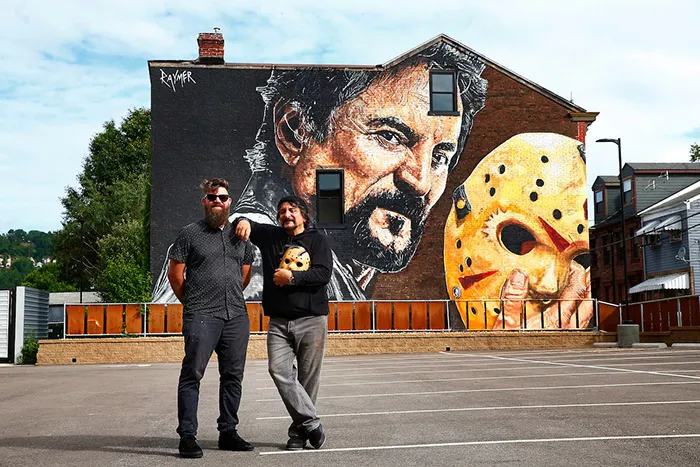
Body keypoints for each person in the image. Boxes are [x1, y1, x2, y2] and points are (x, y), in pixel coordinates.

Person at [152, 40, 487, 303]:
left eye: (439, 156)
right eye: (389, 137)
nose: (420, 181)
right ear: (295, 132)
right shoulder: (256, 259)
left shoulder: (318, 262)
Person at [234, 195, 332, 450]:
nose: (286, 214)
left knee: (308, 380)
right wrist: (243, 220)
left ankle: (298, 434)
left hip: (312, 319)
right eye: (282, 211)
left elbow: (323, 274)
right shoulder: (271, 236)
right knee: (278, 370)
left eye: (292, 210)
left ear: (303, 215)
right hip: (278, 321)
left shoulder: (317, 240)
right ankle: (311, 423)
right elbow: (244, 223)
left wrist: (292, 278)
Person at [168, 178, 256, 458]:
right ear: (204, 201)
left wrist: (229, 295)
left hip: (236, 316)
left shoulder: (241, 237)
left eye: (223, 197)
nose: (217, 201)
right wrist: (193, 303)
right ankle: (187, 436)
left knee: (233, 376)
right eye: (212, 197)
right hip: (201, 315)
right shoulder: (189, 234)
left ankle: (228, 432)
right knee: (192, 374)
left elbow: (244, 276)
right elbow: (175, 275)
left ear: (230, 202)